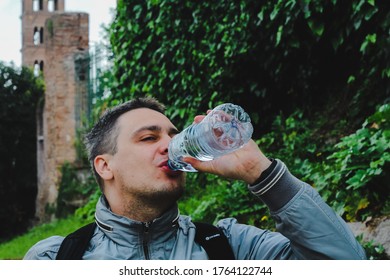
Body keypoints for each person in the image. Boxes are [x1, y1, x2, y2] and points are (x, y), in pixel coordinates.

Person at [24, 97, 366, 260]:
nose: (169, 145)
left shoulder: (230, 246)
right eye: (148, 138)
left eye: (173, 135)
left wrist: (264, 175)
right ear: (104, 166)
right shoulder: (57, 259)